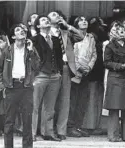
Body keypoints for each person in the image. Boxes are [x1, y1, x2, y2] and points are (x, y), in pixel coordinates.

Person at [0, 23, 40, 148]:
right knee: (9, 122)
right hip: (11, 87)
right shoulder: (7, 50)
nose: (22, 31)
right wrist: (3, 84)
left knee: (27, 121)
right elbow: (0, 69)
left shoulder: (30, 49)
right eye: (18, 30)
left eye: (23, 30)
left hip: (26, 87)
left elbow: (37, 67)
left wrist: (32, 50)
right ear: (13, 36)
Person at [47, 11, 84, 140]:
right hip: (51, 69)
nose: (57, 16)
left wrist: (67, 26)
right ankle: (48, 130)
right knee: (50, 102)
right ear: (47, 19)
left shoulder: (65, 32)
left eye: (59, 15)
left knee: (65, 100)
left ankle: (61, 130)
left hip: (65, 67)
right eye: (53, 14)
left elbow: (81, 37)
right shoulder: (46, 33)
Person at [103, 22, 125, 142]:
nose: (123, 33)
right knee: (114, 107)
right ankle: (113, 136)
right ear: (114, 33)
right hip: (116, 78)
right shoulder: (110, 46)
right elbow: (106, 62)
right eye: (120, 31)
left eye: (123, 31)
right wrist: (121, 66)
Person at [32, 15, 62, 141]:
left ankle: (48, 132)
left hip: (54, 75)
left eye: (47, 19)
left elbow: (59, 57)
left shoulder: (55, 39)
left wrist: (59, 72)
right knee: (34, 105)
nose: (47, 20)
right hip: (40, 75)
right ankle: (31, 133)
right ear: (38, 26)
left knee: (50, 107)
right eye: (43, 20)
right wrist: (34, 74)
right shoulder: (34, 39)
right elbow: (31, 58)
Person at [67, 16, 97, 137]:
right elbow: (71, 54)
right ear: (75, 24)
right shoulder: (72, 36)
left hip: (86, 73)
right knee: (72, 101)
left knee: (82, 101)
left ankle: (78, 127)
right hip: (74, 72)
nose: (84, 21)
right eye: (81, 20)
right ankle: (70, 127)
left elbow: (94, 54)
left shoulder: (91, 37)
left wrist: (89, 67)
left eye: (85, 20)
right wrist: (78, 67)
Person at [82, 17, 104, 132]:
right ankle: (89, 125)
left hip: (96, 72)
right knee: (91, 99)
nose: (101, 28)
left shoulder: (97, 38)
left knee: (94, 99)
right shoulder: (92, 37)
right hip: (92, 72)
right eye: (99, 25)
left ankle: (93, 124)